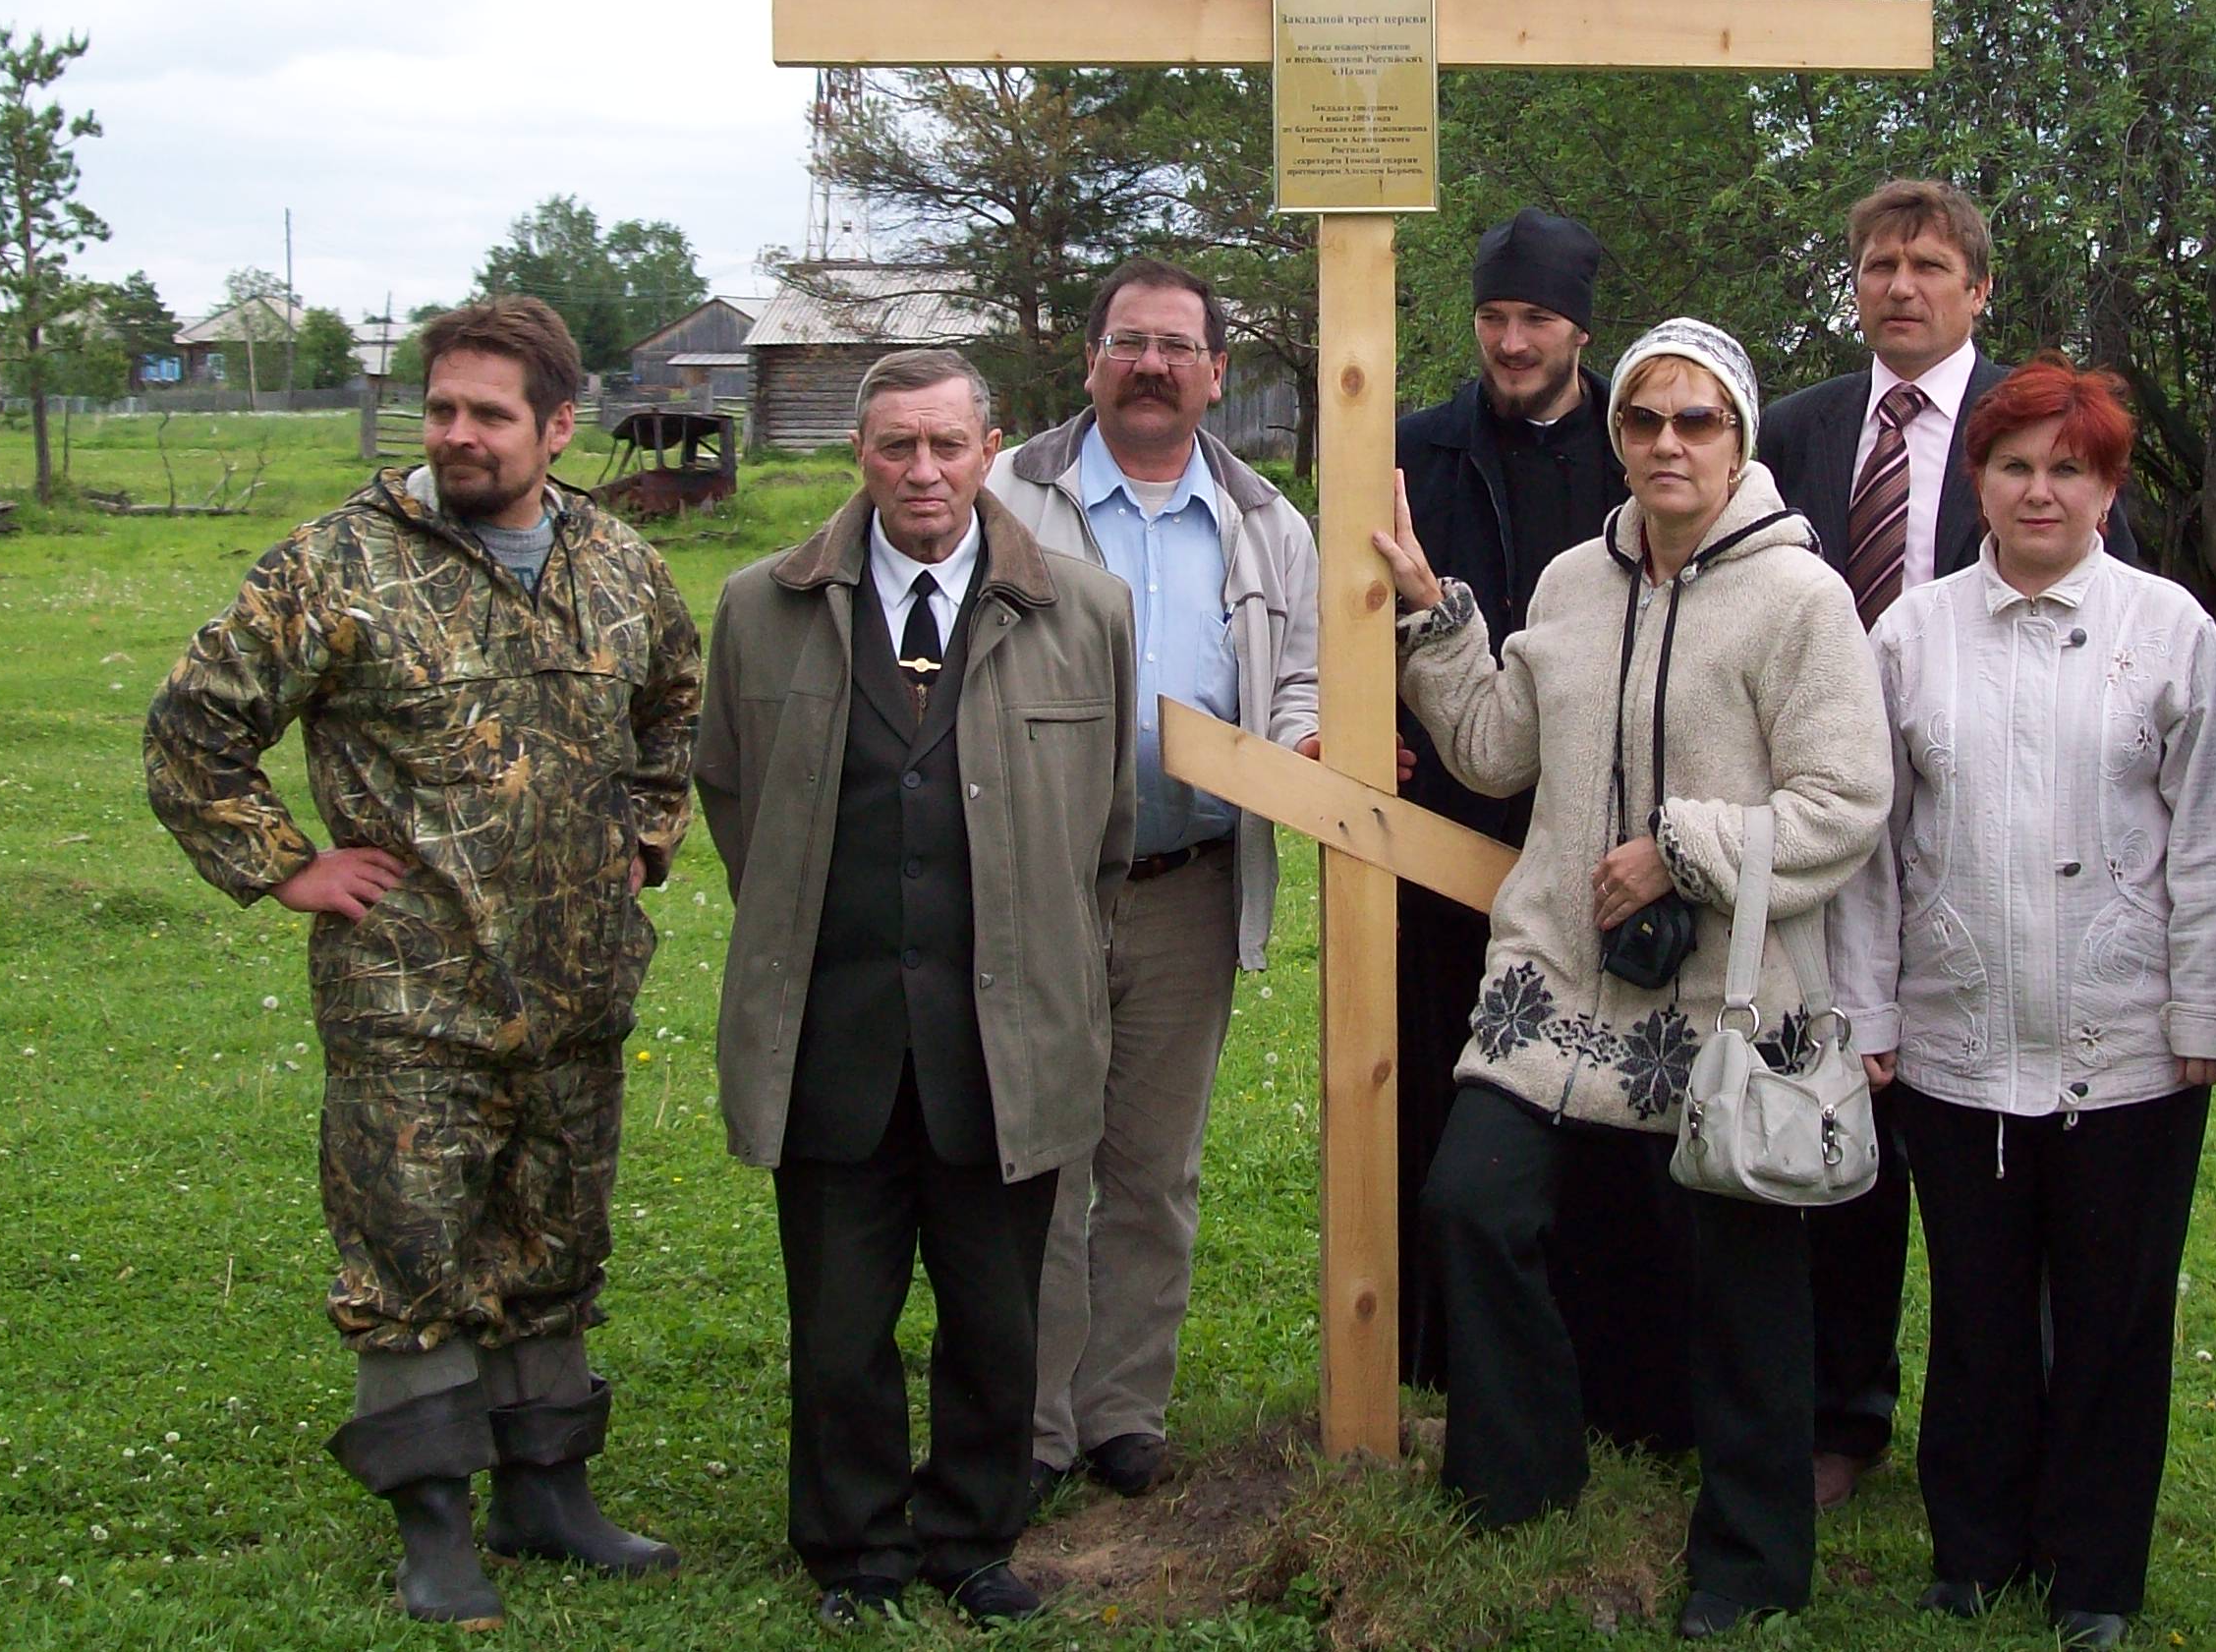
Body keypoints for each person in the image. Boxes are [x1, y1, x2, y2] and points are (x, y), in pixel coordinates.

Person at [144, 297, 700, 1628]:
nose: (457, 434)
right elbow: (192, 729)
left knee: (554, 1240)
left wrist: (645, 837)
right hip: (409, 994)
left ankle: (547, 1493)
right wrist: (287, 863)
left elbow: (674, 706)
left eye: (488, 414)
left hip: (575, 987)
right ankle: (435, 1526)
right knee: (411, 1259)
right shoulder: (337, 563)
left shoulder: (619, 564)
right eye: (441, 408)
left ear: (558, 427)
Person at [1377, 317, 1891, 1641]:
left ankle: (1751, 1561)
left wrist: (1681, 849)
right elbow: (1495, 750)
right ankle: (1519, 1487)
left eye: (1696, 420)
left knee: (1741, 1290)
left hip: (1720, 1006)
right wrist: (1434, 617)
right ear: (1619, 437)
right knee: (1471, 1205)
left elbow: (1844, 803)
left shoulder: (1800, 600)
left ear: (1739, 437)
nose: (1669, 443)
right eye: (1645, 420)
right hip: (1553, 982)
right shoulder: (1571, 583)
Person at [697, 348, 1135, 1627]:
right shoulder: (759, 609)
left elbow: (1105, 830)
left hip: (1005, 1042)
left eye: (948, 444)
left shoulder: (1086, 611)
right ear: (860, 455)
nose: (924, 471)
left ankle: (972, 1538)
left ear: (990, 448)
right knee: (839, 1324)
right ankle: (854, 1549)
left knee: (997, 1322)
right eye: (897, 446)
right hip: (832, 1038)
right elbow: (733, 796)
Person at [1832, 355, 2216, 1649]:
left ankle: (2094, 1574)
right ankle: (1973, 1549)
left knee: (2115, 1317)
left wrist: (2205, 1017)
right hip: (1957, 1035)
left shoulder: (2169, 632)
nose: (2039, 492)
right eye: (2014, 466)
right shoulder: (1910, 638)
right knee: (1977, 1306)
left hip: (2127, 1045)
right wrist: (1869, 1011)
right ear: (1977, 480)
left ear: (2108, 488)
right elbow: (1870, 845)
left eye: (2068, 470)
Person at [1762, 177, 2141, 1506]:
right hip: (1828, 834)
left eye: (1929, 265)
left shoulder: (2031, 432)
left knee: (2001, 1163)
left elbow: (2116, 625)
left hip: (1996, 840)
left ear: (1978, 289)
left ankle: (2015, 1420)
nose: (1901, 286)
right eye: (1879, 265)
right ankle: (1842, 1412)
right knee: (1845, 1127)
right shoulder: (1795, 433)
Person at [983, 257, 1322, 1501]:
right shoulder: (1007, 497)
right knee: (1038, 1160)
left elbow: (1299, 680)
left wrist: (1301, 747)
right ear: (1091, 362)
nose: (1151, 366)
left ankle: (1121, 1411)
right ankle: (1028, 1425)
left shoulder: (1268, 523)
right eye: (1128, 342)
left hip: (1187, 882)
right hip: (1040, 881)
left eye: (1177, 347)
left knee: (1151, 1167)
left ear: (1215, 375)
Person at [1393, 208, 1678, 1427]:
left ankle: (1617, 1375)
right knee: (1447, 1095)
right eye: (1493, 318)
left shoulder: (1642, 453)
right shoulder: (1413, 451)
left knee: (1614, 1106)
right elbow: (1354, 613)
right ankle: (1445, 1361)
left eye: (1537, 321)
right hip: (1440, 817)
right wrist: (1366, 729)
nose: (1511, 343)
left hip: (1604, 844)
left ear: (1580, 331)